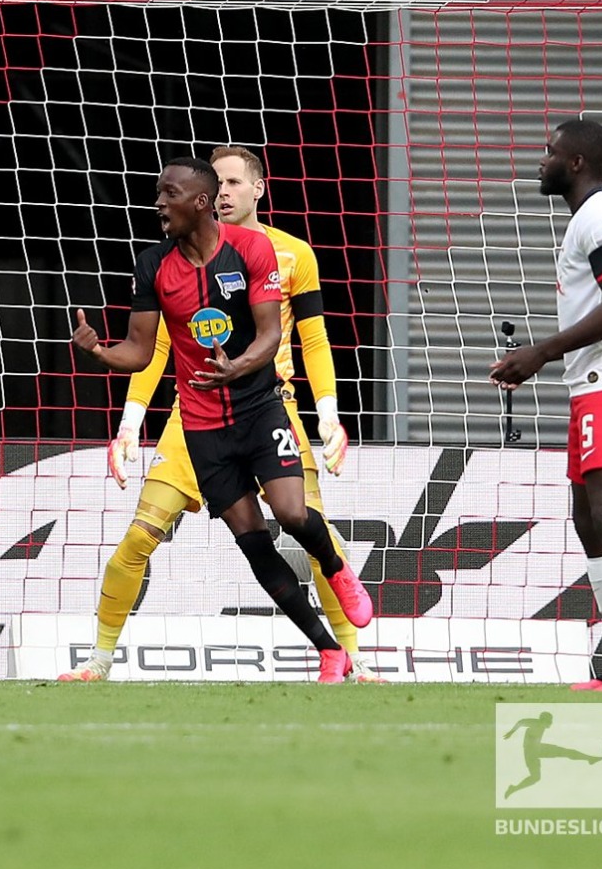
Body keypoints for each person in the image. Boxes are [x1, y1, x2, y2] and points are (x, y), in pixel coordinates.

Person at [63, 146, 379, 683]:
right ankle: (99, 659)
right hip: (196, 418)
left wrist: (328, 411)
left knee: (303, 521)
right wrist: (130, 421)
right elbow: (153, 347)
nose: (228, 191)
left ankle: (356, 660)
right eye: (222, 181)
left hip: (267, 404)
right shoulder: (162, 263)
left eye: (236, 181)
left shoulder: (283, 253)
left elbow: (310, 337)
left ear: (255, 188)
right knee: (148, 537)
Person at [490, 119, 602, 693]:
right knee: (588, 518)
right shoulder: (585, 220)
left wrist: (540, 351)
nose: (540, 161)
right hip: (593, 382)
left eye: (549, 152)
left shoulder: (598, 216)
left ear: (575, 163)